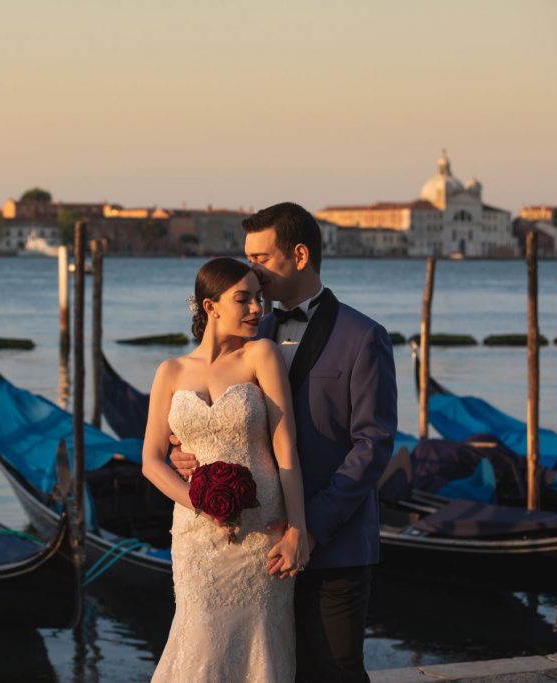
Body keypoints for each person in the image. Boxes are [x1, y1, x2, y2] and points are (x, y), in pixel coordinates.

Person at [170, 202, 398, 683]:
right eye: (246, 257)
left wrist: (308, 528)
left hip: (335, 545)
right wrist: (183, 448)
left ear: (298, 255)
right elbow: (216, 411)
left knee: (334, 671)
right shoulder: (252, 330)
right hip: (256, 545)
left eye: (261, 258)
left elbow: (373, 445)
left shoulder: (363, 337)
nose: (251, 270)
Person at [142, 256, 309, 682]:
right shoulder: (171, 371)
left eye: (259, 298)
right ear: (210, 306)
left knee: (260, 648)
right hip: (196, 537)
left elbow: (284, 447)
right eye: (244, 299)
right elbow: (151, 461)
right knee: (200, 641)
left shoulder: (262, 355)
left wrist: (297, 530)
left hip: (262, 531)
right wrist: (198, 502)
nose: (258, 309)